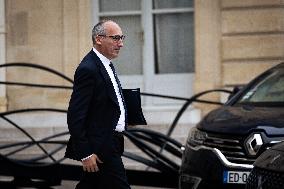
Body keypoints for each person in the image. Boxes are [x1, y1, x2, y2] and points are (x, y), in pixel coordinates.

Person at [64, 20, 131, 189]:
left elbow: (107, 101)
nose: (121, 44)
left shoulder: (106, 64)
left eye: (121, 38)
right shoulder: (88, 68)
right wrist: (85, 153)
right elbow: (75, 115)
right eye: (116, 38)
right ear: (99, 39)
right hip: (101, 145)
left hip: (112, 141)